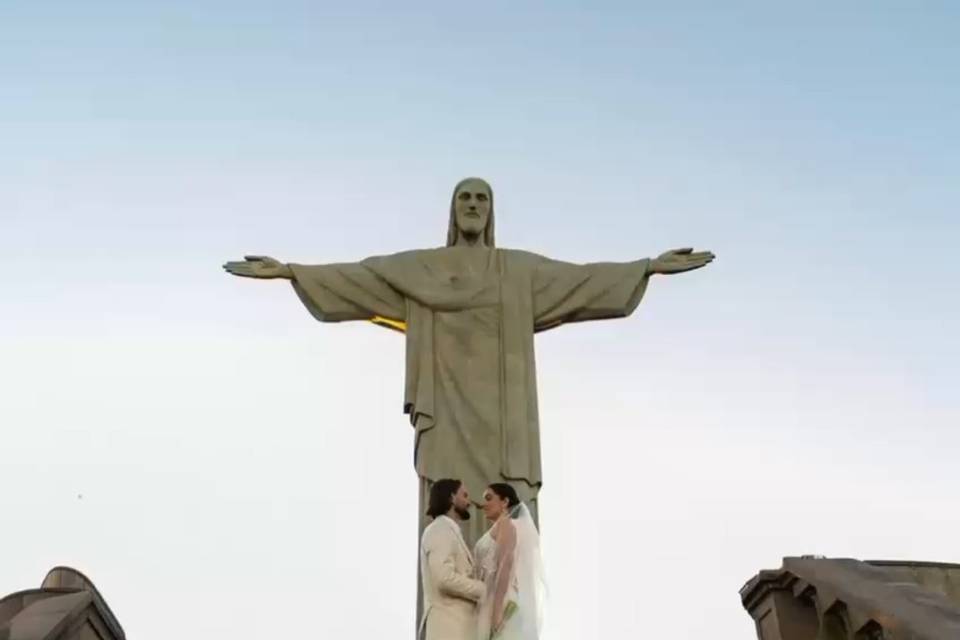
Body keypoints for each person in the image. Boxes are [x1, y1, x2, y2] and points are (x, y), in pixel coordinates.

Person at [475, 483, 546, 639]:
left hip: (501, 599)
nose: (484, 504)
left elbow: (505, 564)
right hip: (493, 597)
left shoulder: (505, 524)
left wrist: (497, 611)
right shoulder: (504, 526)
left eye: (489, 498)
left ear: (505, 502)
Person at [420, 478, 486, 640]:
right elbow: (443, 578)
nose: (469, 501)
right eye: (464, 495)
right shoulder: (439, 529)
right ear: (451, 498)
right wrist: (483, 589)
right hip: (448, 629)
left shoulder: (450, 531)